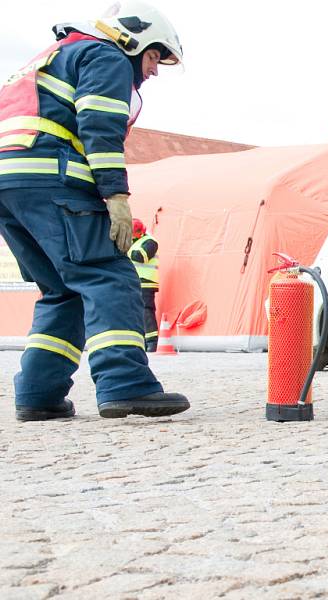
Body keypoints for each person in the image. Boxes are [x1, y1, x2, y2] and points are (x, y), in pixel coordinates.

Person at [0, 2, 190, 421]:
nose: (154, 70)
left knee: (63, 290)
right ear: (132, 39)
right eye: (155, 56)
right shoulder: (105, 55)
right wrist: (116, 196)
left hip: (10, 186)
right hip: (53, 179)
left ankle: (38, 394)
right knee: (108, 275)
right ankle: (126, 385)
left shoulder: (54, 57)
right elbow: (99, 126)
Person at [129, 218, 159, 351]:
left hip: (146, 282)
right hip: (132, 282)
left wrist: (124, 249)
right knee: (134, 312)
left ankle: (152, 342)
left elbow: (141, 257)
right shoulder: (133, 241)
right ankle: (140, 341)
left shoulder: (150, 242)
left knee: (146, 311)